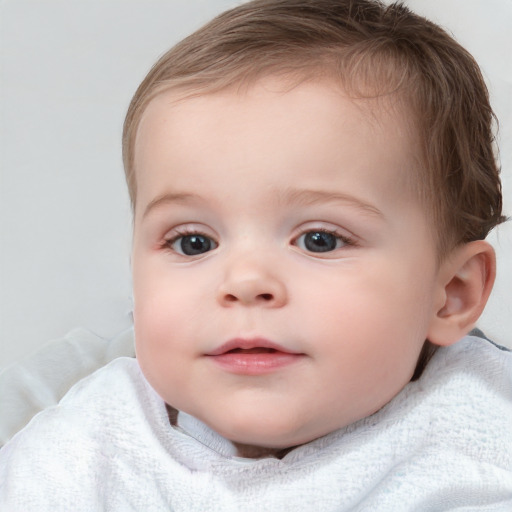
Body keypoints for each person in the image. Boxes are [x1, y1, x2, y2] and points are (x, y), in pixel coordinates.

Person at [1, 0, 511, 509]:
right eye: (193, 242)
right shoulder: (83, 449)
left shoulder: (477, 454)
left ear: (450, 294)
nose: (244, 281)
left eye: (320, 239)